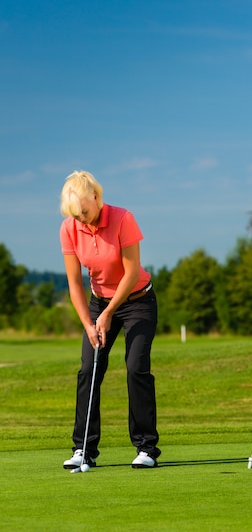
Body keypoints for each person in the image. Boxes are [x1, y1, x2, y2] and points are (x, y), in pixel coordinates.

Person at [60, 170, 160, 470]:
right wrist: (90, 323)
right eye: (76, 216)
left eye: (85, 213)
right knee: (89, 369)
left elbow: (130, 275)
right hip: (98, 302)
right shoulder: (69, 228)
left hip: (137, 301)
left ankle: (146, 449)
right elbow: (75, 284)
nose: (82, 221)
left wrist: (107, 314)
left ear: (96, 197)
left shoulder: (122, 219)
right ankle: (83, 449)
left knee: (135, 367)